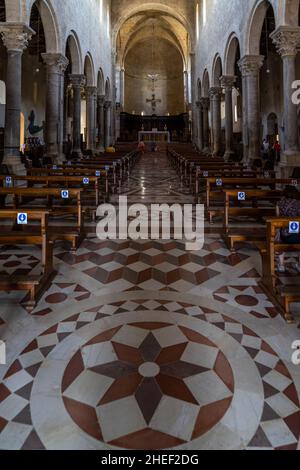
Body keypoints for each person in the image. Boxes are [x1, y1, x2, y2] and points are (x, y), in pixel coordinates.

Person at [276, 186, 300, 273]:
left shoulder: (280, 203)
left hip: (284, 235)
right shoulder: (299, 204)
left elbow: (277, 218)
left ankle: (281, 265)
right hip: (297, 235)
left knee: (280, 235)